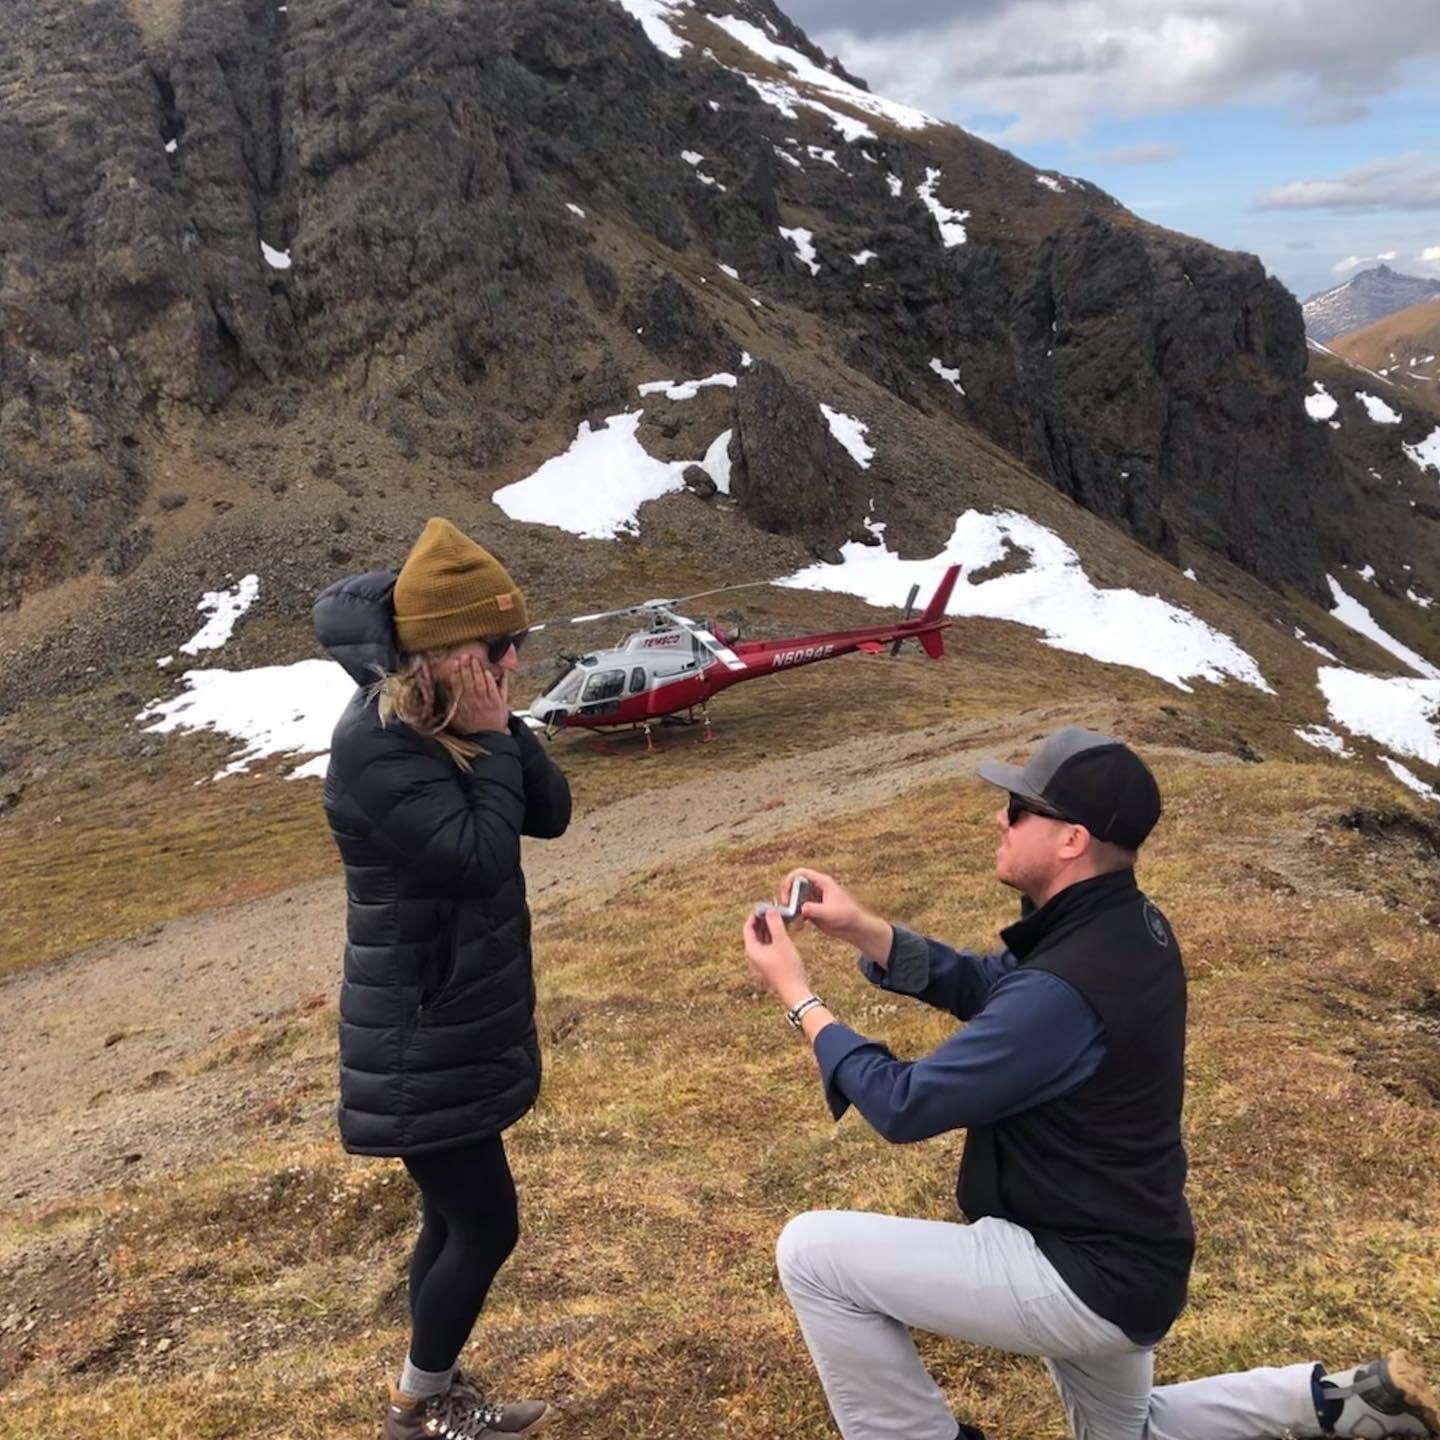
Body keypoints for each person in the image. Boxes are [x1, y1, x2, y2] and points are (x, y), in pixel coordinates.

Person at [742, 726, 1440, 1440]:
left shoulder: (1068, 983)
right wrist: (865, 929)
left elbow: (905, 1103)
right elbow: (996, 986)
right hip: (1134, 1257)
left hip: (1076, 1270)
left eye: (1017, 808)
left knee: (814, 1253)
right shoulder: (1125, 925)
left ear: (1070, 839)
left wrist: (800, 998)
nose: (998, 818)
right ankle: (1332, 1405)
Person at [315, 517, 571, 1440]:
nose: (514, 662)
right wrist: (496, 733)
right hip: (417, 1034)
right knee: (486, 1225)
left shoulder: (455, 717)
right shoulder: (377, 743)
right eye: (498, 650)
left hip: (452, 1019)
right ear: (445, 652)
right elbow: (476, 856)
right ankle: (416, 1407)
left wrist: (504, 726)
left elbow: (551, 815)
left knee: (452, 1222)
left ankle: (434, 1391)